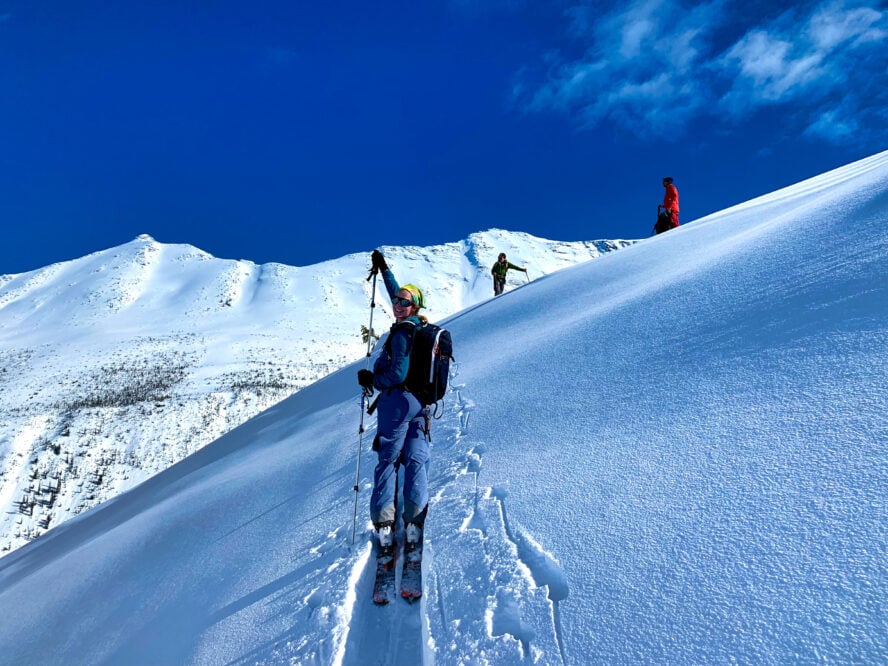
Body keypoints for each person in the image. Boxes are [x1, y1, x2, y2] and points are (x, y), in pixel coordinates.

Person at [357, 249, 430, 554]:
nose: (396, 304)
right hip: (420, 403)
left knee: (387, 461)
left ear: (413, 307)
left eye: (403, 302)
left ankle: (386, 527)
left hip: (397, 403)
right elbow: (400, 291)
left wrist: (373, 380)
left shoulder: (401, 332)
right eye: (396, 300)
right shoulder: (420, 327)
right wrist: (385, 270)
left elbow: (398, 371)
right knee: (415, 459)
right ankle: (413, 524)